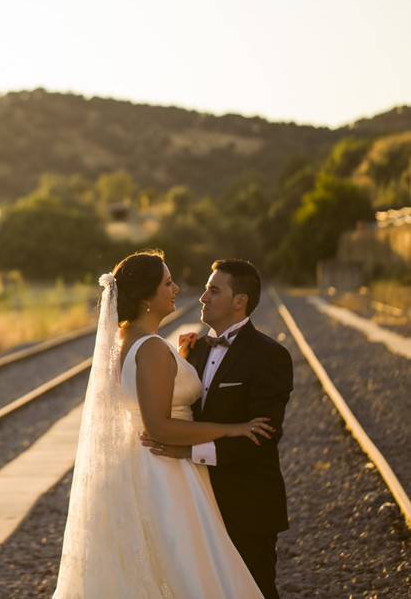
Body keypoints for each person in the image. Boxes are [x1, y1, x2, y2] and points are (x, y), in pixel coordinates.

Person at [54, 250, 273, 598]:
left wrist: (180, 361)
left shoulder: (126, 341)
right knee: (185, 568)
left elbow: (151, 393)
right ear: (146, 297)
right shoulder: (153, 347)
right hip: (167, 469)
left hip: (142, 465)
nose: (177, 288)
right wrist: (233, 428)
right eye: (168, 283)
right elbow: (160, 426)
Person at [142, 259, 293, 598]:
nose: (203, 298)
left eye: (214, 290)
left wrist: (189, 451)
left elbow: (263, 436)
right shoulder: (191, 351)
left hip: (246, 502)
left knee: (254, 589)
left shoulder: (270, 355)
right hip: (194, 497)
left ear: (240, 301)